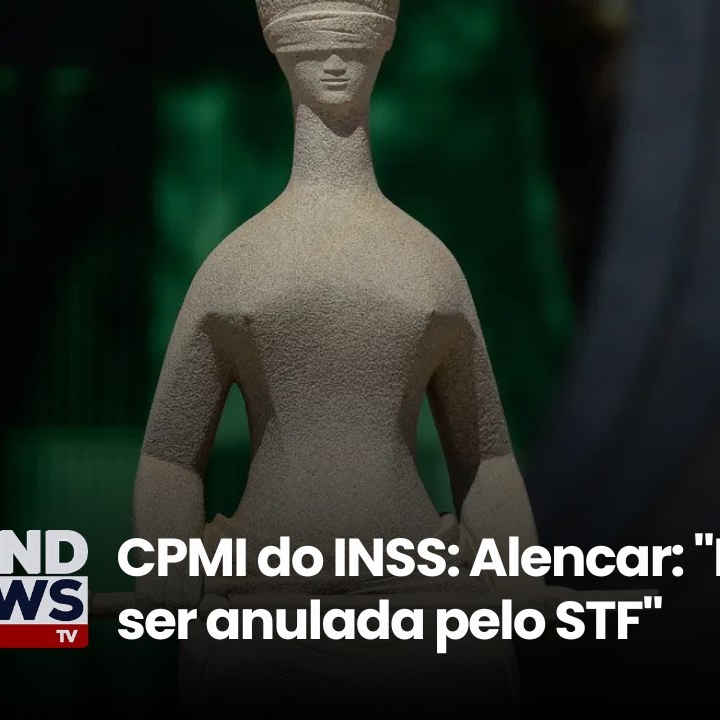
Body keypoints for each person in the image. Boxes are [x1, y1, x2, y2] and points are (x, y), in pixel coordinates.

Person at [130, 0, 542, 707]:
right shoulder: (237, 266)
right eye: (315, 49)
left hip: (420, 598)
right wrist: (168, 573)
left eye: (351, 47)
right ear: (281, 54)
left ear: (381, 52)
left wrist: (515, 574)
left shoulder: (427, 265)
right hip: (262, 600)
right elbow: (169, 456)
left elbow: (487, 456)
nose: (332, 63)